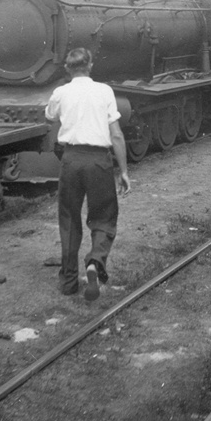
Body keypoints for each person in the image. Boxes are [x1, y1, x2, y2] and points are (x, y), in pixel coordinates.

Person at [45, 48, 131, 301]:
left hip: (71, 159)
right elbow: (116, 135)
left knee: (69, 219)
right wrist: (124, 171)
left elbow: (49, 116)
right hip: (98, 161)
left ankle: (69, 282)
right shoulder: (104, 91)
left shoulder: (61, 92)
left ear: (67, 68)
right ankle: (95, 261)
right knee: (104, 215)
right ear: (90, 65)